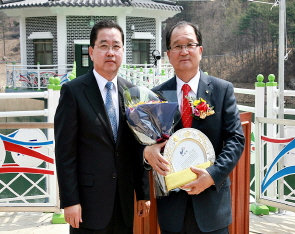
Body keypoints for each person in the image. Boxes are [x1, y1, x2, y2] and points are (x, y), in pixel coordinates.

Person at [144, 21, 245, 234]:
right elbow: (146, 141)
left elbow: (235, 140)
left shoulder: (221, 90)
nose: (184, 51)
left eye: (190, 44)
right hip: (172, 208)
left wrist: (212, 175)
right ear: (168, 54)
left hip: (212, 205)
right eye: (177, 46)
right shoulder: (157, 96)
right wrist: (147, 151)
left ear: (200, 50)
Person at [54, 20, 150, 234]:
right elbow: (64, 152)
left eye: (116, 46)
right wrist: (70, 201)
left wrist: (143, 193)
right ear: (91, 51)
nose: (110, 52)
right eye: (104, 45)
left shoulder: (132, 92)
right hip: (88, 203)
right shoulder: (73, 91)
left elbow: (138, 147)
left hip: (124, 201)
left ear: (123, 51)